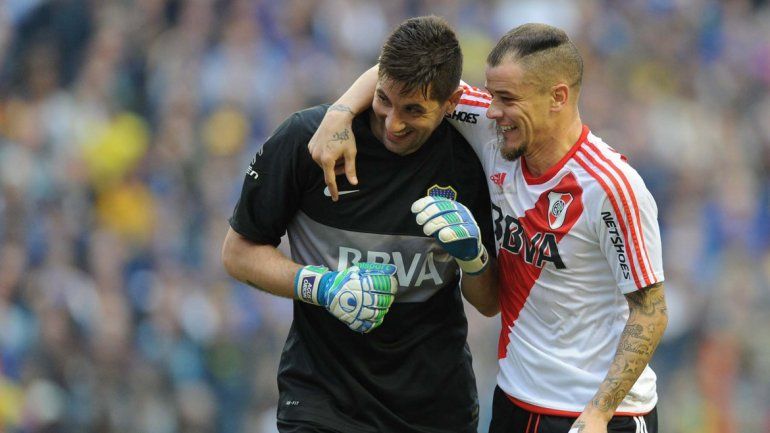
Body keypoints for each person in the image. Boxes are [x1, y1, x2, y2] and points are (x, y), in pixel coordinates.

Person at [308, 23, 668, 433]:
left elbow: (650, 311)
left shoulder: (611, 188)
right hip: (515, 399)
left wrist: (599, 413)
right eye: (492, 95)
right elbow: (395, 74)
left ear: (558, 97)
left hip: (599, 414)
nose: (492, 110)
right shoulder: (494, 130)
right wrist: (337, 115)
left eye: (507, 99)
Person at [221, 16, 499, 433]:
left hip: (434, 407)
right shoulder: (310, 141)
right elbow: (237, 253)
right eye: (384, 100)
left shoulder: (471, 160)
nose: (393, 123)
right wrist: (323, 286)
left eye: (413, 111)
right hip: (323, 400)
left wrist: (474, 258)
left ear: (450, 103)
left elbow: (489, 300)